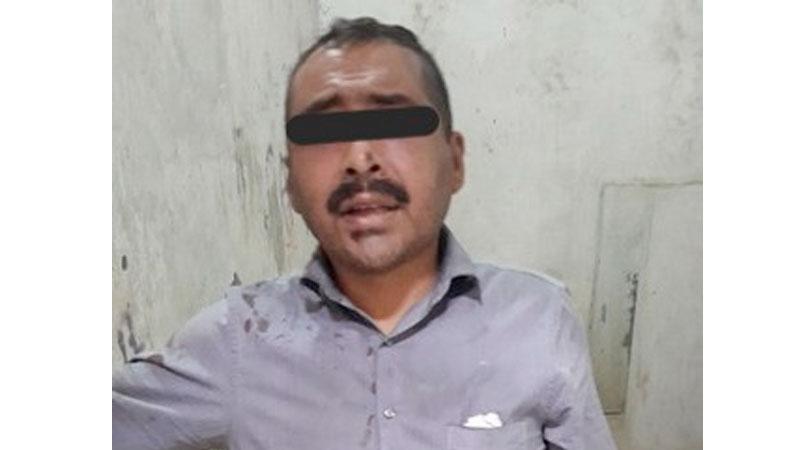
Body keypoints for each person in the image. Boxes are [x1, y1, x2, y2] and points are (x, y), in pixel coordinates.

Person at [113, 17, 616, 450]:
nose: (359, 159)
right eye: (324, 133)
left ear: (455, 161)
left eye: (395, 122)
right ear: (290, 183)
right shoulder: (235, 341)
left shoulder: (538, 321)